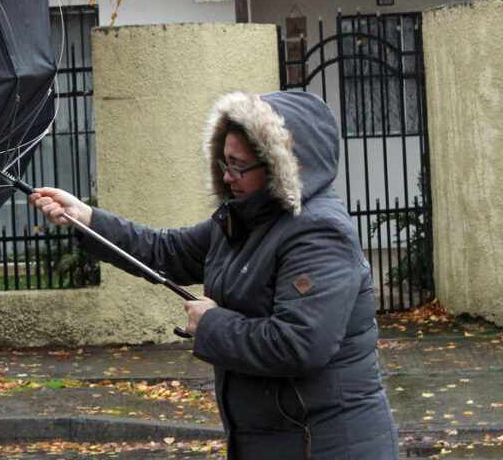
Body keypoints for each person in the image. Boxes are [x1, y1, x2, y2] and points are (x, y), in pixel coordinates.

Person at [29, 90, 399, 459]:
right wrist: (87, 219)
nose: (227, 176)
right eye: (223, 162)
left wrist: (211, 324)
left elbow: (298, 344)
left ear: (278, 165)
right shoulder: (244, 218)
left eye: (238, 166)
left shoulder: (318, 234)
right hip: (272, 438)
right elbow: (165, 250)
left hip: (324, 444)